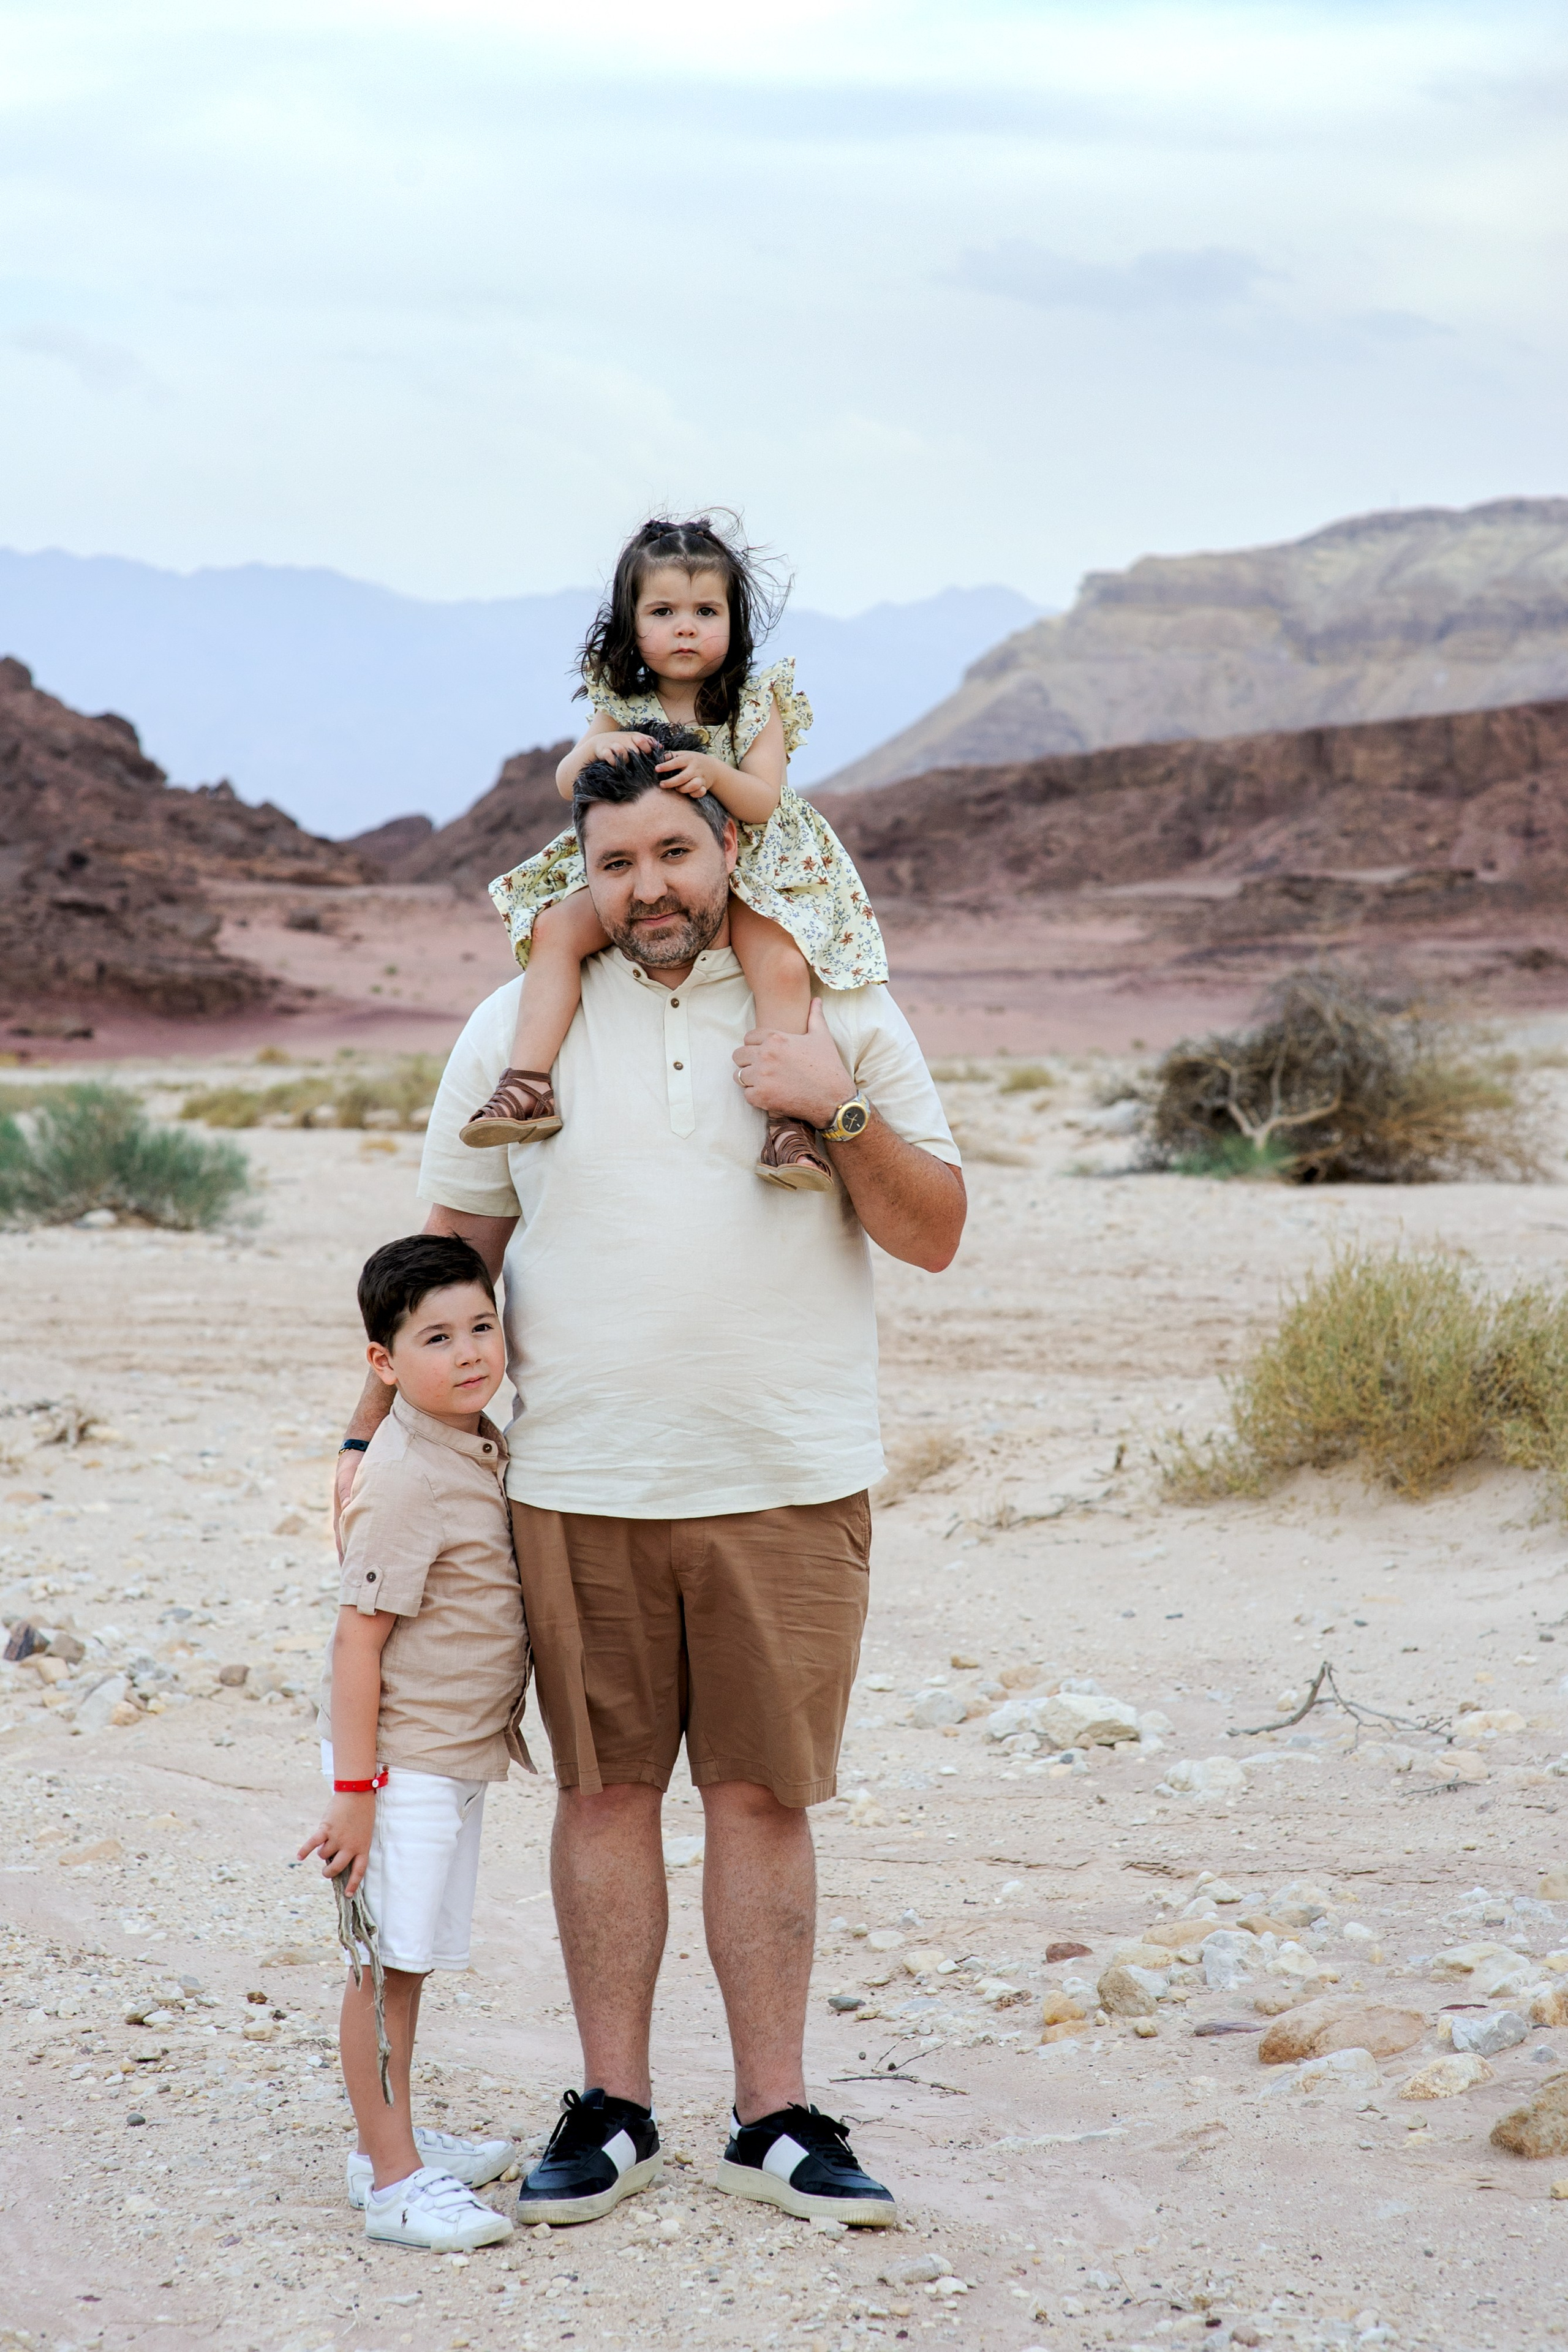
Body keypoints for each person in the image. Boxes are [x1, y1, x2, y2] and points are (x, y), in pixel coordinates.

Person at [335, 737, 966, 2230]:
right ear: (582, 875)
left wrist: (841, 1105)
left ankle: (773, 2115)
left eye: (673, 853)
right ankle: (610, 2104)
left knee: (763, 1796)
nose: (647, 887)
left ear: (728, 849)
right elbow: (449, 1254)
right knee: (604, 1793)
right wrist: (362, 1440)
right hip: (576, 1481)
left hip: (788, 1474)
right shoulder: (515, 1022)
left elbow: (934, 1229)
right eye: (613, 864)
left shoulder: (836, 1004)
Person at [459, 512, 887, 1193]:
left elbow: (763, 800)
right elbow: (570, 781)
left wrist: (715, 775)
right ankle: (528, 1083)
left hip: (748, 868)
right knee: (554, 931)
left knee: (778, 963)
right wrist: (593, 749)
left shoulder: (752, 701)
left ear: (734, 622)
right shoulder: (622, 699)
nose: (685, 627)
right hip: (653, 864)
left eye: (704, 610)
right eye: (663, 610)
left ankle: (787, 1125)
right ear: (633, 626)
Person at [303, 1233, 532, 2253]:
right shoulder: (402, 1475)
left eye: (481, 1326)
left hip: (452, 1752)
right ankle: (394, 2181)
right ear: (384, 1364)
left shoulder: (468, 1439)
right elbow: (359, 1640)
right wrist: (356, 1789)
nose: (471, 1352)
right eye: (436, 1338)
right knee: (382, 1969)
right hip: (400, 1762)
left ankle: (379, 2142)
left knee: (411, 1960)